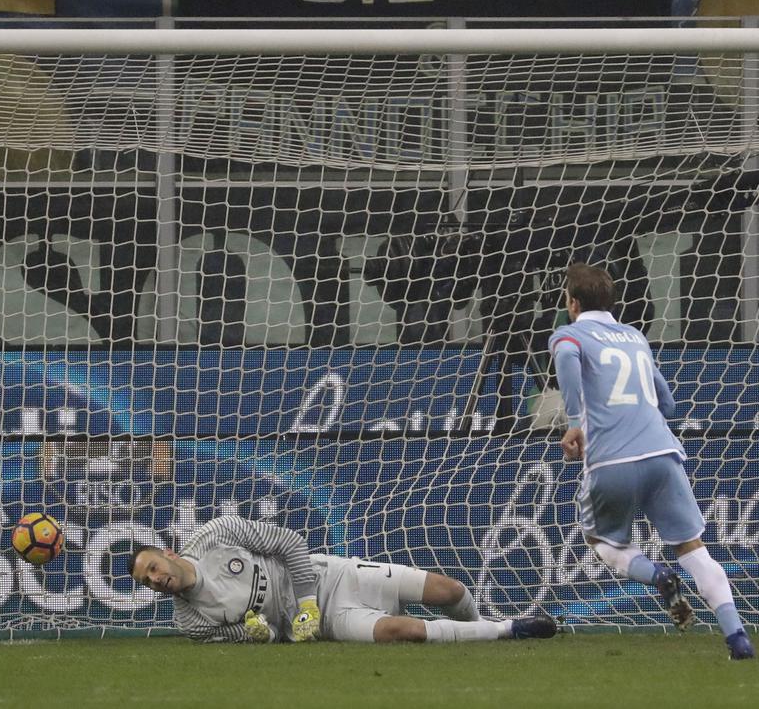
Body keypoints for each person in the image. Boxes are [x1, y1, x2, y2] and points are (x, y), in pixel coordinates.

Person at [550, 262, 754, 661]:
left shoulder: (569, 335)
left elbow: (569, 359)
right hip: (663, 452)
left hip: (612, 459)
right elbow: (668, 403)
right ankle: (737, 638)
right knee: (695, 549)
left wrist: (575, 421)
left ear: (572, 303)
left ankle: (656, 575)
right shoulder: (635, 337)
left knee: (602, 542)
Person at [129, 516, 557, 644]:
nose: (155, 580)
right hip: (326, 624)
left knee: (451, 590)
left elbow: (290, 543)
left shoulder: (217, 535)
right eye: (147, 583)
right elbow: (260, 634)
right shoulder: (191, 622)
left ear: (167, 554)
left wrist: (309, 601)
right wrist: (258, 631)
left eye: (152, 568)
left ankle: (476, 625)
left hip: (333, 577)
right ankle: (506, 631)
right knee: (399, 630)